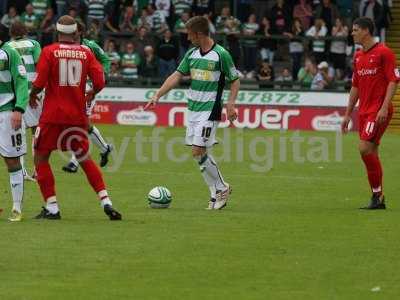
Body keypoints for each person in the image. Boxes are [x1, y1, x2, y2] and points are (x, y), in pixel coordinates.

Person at [29, 15, 122, 220]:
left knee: (40, 157)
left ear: (57, 31)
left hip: (52, 115)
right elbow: (99, 80)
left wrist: (32, 95)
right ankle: (106, 201)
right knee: (84, 158)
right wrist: (92, 93)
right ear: (76, 33)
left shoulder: (49, 51)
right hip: (77, 116)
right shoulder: (86, 53)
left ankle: (52, 207)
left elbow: (40, 82)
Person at [145, 16, 240, 210]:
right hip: (194, 110)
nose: (188, 38)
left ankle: (222, 187)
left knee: (197, 150)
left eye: (189, 34)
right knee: (199, 154)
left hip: (210, 110)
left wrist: (231, 104)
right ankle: (214, 194)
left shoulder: (221, 54)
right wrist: (158, 95)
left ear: (198, 34)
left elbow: (235, 79)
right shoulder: (192, 54)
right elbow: (177, 75)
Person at [341, 17, 399, 209]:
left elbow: (393, 80)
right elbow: (355, 86)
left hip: (378, 110)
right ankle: (377, 197)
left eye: (355, 29)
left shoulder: (384, 52)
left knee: (364, 148)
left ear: (366, 31)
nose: (352, 33)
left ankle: (378, 195)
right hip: (364, 111)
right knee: (371, 151)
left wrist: (384, 106)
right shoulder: (358, 56)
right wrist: (348, 114)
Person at [62, 21, 114, 173]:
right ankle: (105, 148)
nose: (70, 32)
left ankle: (74, 162)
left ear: (79, 32)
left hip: (88, 88)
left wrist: (102, 75)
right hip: (70, 89)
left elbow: (105, 59)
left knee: (79, 123)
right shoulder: (65, 46)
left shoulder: (90, 45)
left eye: (74, 30)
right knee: (82, 125)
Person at [5, 21, 42, 182]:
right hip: (31, 92)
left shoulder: (6, 46)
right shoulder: (33, 44)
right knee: (36, 130)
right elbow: (40, 66)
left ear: (10, 33)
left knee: (16, 131)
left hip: (14, 93)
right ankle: (38, 170)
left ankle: (21, 171)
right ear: (26, 31)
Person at [0, 35, 29, 221]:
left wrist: (19, 109)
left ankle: (16, 208)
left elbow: (21, 81)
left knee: (12, 161)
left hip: (7, 114)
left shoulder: (10, 53)